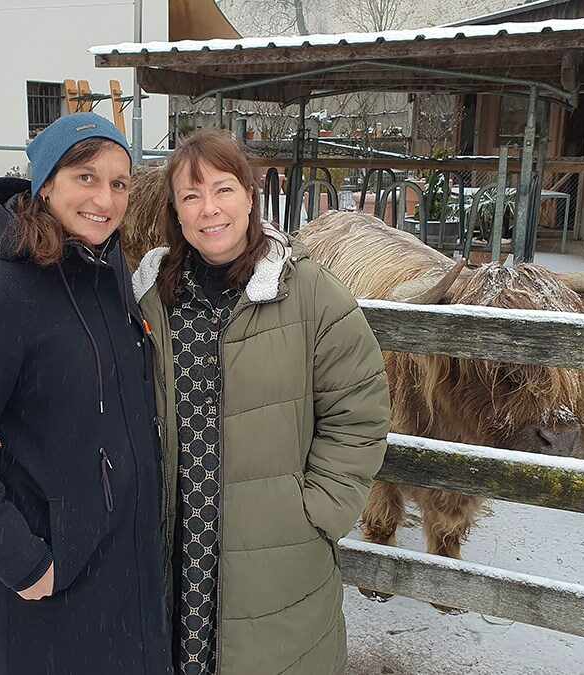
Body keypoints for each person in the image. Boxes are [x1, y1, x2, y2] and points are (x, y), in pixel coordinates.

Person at [0, 112, 171, 674]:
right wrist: (26, 562)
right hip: (52, 581)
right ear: (45, 183)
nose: (104, 198)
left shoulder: (108, 273)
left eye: (119, 183)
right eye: (86, 177)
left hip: (123, 564)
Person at [132, 129, 391, 674]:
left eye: (223, 189)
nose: (210, 210)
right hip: (176, 543)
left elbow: (359, 412)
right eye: (191, 196)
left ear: (251, 197)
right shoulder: (151, 298)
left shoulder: (311, 295)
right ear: (176, 213)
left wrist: (315, 513)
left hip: (278, 553)